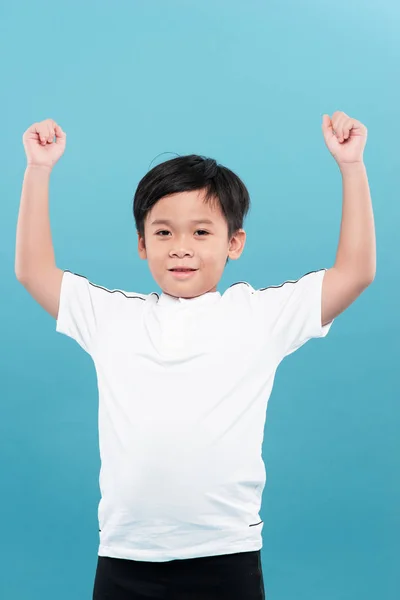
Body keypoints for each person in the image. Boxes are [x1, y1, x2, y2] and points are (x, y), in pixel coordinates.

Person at [15, 113, 376, 599]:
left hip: (226, 557)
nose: (181, 248)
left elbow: (354, 273)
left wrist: (351, 166)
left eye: (201, 233)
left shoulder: (259, 316)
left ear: (235, 243)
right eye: (163, 233)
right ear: (142, 245)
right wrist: (38, 170)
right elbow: (33, 270)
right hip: (126, 558)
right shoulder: (110, 317)